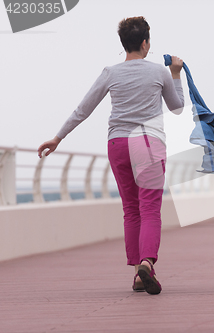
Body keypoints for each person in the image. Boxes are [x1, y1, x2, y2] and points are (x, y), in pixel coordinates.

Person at [37, 16, 185, 295]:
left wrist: (58, 138)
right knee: (150, 209)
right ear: (145, 43)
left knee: (131, 210)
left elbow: (83, 109)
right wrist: (176, 74)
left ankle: (138, 275)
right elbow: (177, 108)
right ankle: (146, 263)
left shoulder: (110, 73)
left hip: (118, 143)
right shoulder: (159, 72)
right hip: (148, 143)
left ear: (124, 43)